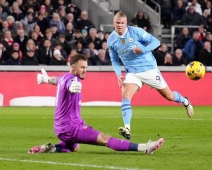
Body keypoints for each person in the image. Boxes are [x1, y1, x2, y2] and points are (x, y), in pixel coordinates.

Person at [28, 54, 163, 154]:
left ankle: (49, 148)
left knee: (73, 147)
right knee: (105, 139)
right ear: (73, 67)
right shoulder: (73, 81)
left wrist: (45, 79)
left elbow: (55, 80)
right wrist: (71, 88)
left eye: (86, 67)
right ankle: (144, 147)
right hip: (72, 128)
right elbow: (70, 85)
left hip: (60, 129)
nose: (85, 70)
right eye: (82, 67)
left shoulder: (63, 77)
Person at [107, 11, 194, 140]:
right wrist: (118, 74)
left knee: (169, 96)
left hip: (149, 69)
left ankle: (185, 101)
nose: (120, 25)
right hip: (132, 72)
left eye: (122, 23)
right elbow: (114, 59)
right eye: (117, 23)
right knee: (126, 95)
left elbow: (156, 42)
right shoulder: (111, 39)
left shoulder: (136, 31)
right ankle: (127, 128)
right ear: (113, 23)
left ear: (126, 23)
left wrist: (142, 49)